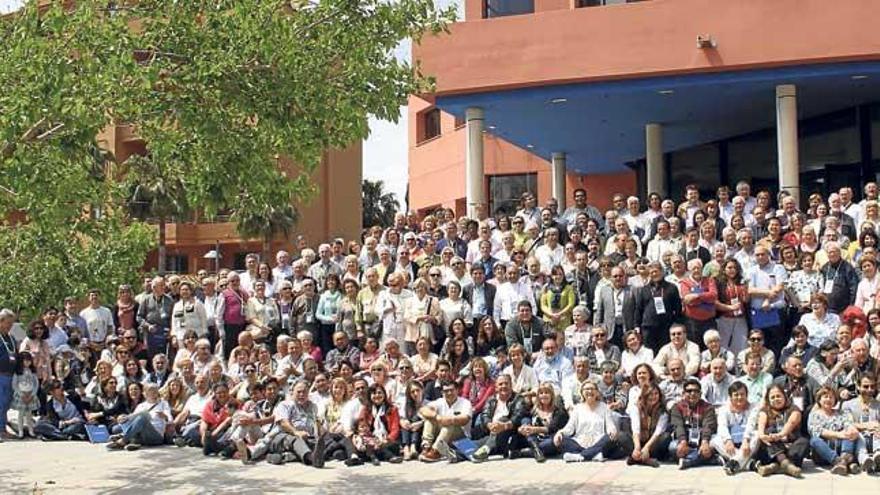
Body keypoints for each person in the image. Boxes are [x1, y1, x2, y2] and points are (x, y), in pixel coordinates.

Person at [549, 381, 626, 462]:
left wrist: (612, 430)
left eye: (592, 389)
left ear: (597, 392)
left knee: (610, 438)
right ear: (582, 392)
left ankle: (580, 456)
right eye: (587, 389)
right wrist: (560, 433)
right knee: (561, 439)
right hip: (579, 442)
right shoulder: (577, 408)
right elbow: (569, 428)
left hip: (599, 441)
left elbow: (610, 425)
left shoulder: (604, 407)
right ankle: (593, 454)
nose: (589, 391)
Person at [808, 386, 869, 475]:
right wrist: (839, 434)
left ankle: (843, 462)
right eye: (825, 397)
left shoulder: (841, 413)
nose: (828, 399)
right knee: (814, 440)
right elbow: (817, 431)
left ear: (835, 400)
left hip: (841, 449)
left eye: (831, 397)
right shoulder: (814, 415)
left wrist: (852, 431)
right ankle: (841, 462)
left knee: (849, 433)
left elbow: (849, 424)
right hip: (823, 452)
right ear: (819, 400)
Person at [754, 384, 807, 478]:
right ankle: (785, 464)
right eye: (772, 397)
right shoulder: (765, 410)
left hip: (790, 448)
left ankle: (775, 467)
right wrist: (763, 435)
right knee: (769, 431)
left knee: (804, 441)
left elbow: (792, 422)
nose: (776, 399)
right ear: (768, 400)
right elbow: (761, 427)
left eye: (778, 396)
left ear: (784, 396)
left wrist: (780, 434)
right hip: (771, 450)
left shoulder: (794, 408)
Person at [470, 374, 524, 461]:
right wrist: (489, 424)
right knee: (469, 446)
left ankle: (487, 448)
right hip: (491, 433)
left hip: (508, 434)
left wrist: (504, 425)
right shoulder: (492, 399)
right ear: (496, 387)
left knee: (503, 419)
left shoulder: (518, 398)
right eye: (500, 384)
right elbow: (485, 415)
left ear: (511, 385)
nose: (504, 386)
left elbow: (518, 416)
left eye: (506, 383)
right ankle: (456, 455)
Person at [418, 380, 473, 463]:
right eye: (446, 391)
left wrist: (450, 419)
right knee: (430, 419)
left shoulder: (465, 402)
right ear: (442, 392)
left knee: (450, 423)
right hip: (444, 437)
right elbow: (422, 410)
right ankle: (426, 447)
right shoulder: (440, 401)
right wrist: (436, 417)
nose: (449, 393)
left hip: (461, 439)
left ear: (457, 390)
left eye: (452, 390)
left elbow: (465, 419)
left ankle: (436, 451)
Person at [669, 377, 718, 469]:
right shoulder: (677, 407)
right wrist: (683, 441)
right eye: (689, 391)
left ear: (700, 394)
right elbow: (678, 426)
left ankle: (689, 461)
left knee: (715, 443)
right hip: (686, 440)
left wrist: (705, 442)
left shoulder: (708, 407)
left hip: (703, 439)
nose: (692, 393)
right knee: (672, 447)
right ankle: (707, 459)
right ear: (683, 393)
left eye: (696, 391)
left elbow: (708, 426)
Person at [106, 383, 172, 451]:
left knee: (142, 418)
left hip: (156, 436)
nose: (153, 393)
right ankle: (134, 443)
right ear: (145, 393)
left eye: (155, 391)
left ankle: (124, 440)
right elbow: (133, 420)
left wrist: (165, 416)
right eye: (150, 391)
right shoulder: (141, 406)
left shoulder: (163, 403)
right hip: (142, 436)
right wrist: (123, 418)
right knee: (128, 419)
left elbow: (170, 419)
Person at [711, 381, 759, 475]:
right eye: (736, 395)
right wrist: (727, 440)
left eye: (742, 394)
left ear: (747, 395)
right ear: (730, 397)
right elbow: (722, 427)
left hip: (747, 443)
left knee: (757, 435)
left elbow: (751, 425)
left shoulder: (754, 408)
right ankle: (748, 464)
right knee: (714, 439)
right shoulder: (724, 409)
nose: (739, 397)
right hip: (732, 443)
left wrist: (746, 440)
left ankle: (734, 462)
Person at [634, 261, 682, 352]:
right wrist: (637, 325)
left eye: (656, 271)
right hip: (648, 328)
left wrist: (676, 323)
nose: (654, 274)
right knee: (649, 353)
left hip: (666, 327)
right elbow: (638, 309)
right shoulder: (644, 290)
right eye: (651, 272)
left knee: (665, 352)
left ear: (662, 272)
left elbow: (678, 308)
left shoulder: (671, 288)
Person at [354, 384, 403, 464]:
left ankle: (376, 457)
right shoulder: (366, 409)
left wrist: (386, 440)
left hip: (387, 441)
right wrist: (369, 439)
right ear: (370, 396)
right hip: (370, 441)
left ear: (384, 394)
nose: (377, 395)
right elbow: (360, 425)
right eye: (374, 393)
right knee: (367, 447)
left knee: (390, 446)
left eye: (379, 393)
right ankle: (389, 457)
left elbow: (395, 429)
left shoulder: (392, 409)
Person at [842, 374, 880, 472]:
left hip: (875, 439)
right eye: (866, 386)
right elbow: (847, 423)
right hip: (858, 441)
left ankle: (878, 456)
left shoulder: (878, 405)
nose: (869, 390)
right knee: (857, 434)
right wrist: (868, 425)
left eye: (872, 386)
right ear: (858, 386)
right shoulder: (848, 405)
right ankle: (865, 461)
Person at [594, 266, 637, 349]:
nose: (618, 278)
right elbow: (600, 311)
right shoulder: (604, 290)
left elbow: (637, 310)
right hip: (609, 329)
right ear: (611, 277)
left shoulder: (633, 290)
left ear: (625, 277)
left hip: (627, 328)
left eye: (620, 276)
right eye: (615, 276)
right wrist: (597, 327)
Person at [11, 351, 39, 438]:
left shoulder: (32, 371)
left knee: (29, 414)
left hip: (31, 394)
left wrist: (33, 394)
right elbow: (14, 384)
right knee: (21, 414)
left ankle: (31, 431)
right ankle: (20, 431)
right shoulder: (18, 372)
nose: (27, 362)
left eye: (29, 360)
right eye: (25, 360)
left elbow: (36, 383)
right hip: (21, 395)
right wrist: (21, 394)